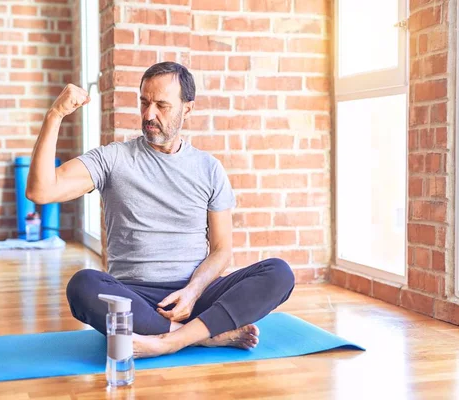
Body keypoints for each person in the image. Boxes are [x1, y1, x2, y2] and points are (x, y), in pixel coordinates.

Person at [26, 62, 295, 358]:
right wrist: (55, 115)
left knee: (278, 273)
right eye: (144, 102)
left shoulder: (208, 168)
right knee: (82, 285)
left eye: (162, 106)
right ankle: (201, 336)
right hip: (135, 297)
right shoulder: (114, 159)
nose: (148, 115)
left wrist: (192, 292)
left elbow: (221, 250)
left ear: (187, 109)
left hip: (196, 293)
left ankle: (168, 340)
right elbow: (41, 190)